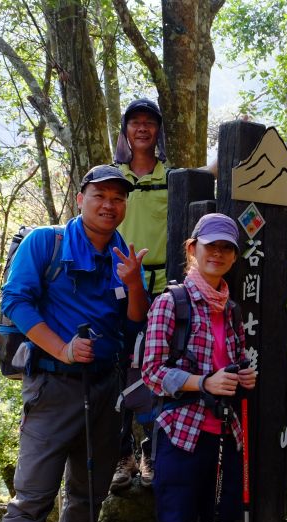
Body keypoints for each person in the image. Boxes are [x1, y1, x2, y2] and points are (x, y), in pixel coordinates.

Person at [0, 165, 150, 522]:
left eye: (119, 198)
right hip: (52, 389)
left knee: (87, 495)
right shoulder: (44, 243)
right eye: (101, 195)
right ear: (81, 197)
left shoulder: (122, 253)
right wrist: (60, 349)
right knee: (31, 500)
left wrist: (135, 282)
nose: (110, 205)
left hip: (104, 390)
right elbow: (15, 300)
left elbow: (134, 321)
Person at [140, 213, 259, 522]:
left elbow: (231, 363)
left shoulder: (229, 308)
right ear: (192, 249)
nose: (218, 255)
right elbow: (152, 372)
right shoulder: (172, 303)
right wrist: (202, 381)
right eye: (210, 246)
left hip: (226, 435)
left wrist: (242, 377)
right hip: (181, 436)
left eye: (227, 248)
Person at [110, 97, 170, 492]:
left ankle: (151, 452)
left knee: (155, 366)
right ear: (126, 131)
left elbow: (211, 171)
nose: (143, 128)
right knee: (116, 367)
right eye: (136, 122)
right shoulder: (110, 178)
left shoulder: (172, 176)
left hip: (161, 287)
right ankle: (121, 455)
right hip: (113, 286)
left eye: (150, 122)